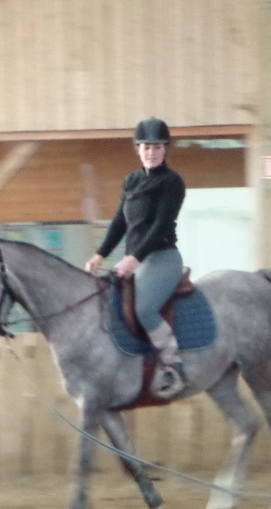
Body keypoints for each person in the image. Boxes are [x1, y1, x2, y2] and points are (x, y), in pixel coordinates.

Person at [85, 116, 187, 398]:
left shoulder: (172, 183)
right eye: (146, 147)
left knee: (144, 309)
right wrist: (100, 254)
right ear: (138, 149)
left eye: (156, 147)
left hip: (163, 258)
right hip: (136, 259)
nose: (151, 152)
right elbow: (120, 222)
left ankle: (173, 366)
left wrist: (134, 258)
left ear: (165, 149)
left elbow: (160, 226)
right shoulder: (131, 181)